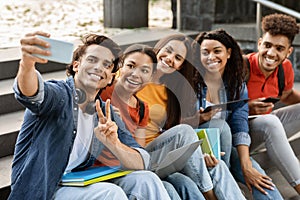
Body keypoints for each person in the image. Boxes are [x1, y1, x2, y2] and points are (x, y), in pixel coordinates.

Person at [9, 31, 171, 200]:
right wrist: (26, 64)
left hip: (77, 185)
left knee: (146, 179)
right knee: (110, 194)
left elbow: (141, 162)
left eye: (107, 65)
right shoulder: (60, 95)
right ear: (76, 65)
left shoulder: (104, 112)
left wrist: (115, 144)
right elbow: (31, 94)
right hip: (43, 189)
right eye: (92, 60)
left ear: (110, 78)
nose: (99, 67)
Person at [136, 33, 246, 200]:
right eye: (168, 51)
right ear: (158, 48)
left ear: (180, 66)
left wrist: (197, 153)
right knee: (185, 136)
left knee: (217, 165)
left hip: (164, 150)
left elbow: (170, 129)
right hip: (141, 153)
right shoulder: (134, 76)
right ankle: (210, 195)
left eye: (178, 57)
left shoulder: (171, 91)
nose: (170, 58)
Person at [191, 29, 283, 199]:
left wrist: (246, 163)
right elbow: (177, 125)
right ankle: (226, 184)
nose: (211, 57)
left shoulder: (236, 84)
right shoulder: (191, 82)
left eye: (217, 51)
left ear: (228, 53)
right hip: (198, 149)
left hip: (227, 149)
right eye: (205, 52)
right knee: (221, 126)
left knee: (261, 180)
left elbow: (240, 123)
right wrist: (196, 119)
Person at [100, 43, 181, 199]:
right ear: (121, 67)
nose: (135, 74)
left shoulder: (142, 108)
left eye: (144, 71)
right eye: (131, 66)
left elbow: (139, 152)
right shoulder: (102, 92)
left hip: (124, 168)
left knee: (178, 183)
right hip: (99, 172)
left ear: (150, 77)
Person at [245, 13, 300, 195]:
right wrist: (247, 107)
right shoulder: (241, 67)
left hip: (268, 126)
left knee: (271, 121)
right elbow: (218, 109)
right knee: (270, 122)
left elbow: (287, 96)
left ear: (288, 52)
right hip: (240, 134)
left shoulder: (285, 69)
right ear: (259, 43)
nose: (271, 53)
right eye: (267, 45)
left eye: (279, 48)